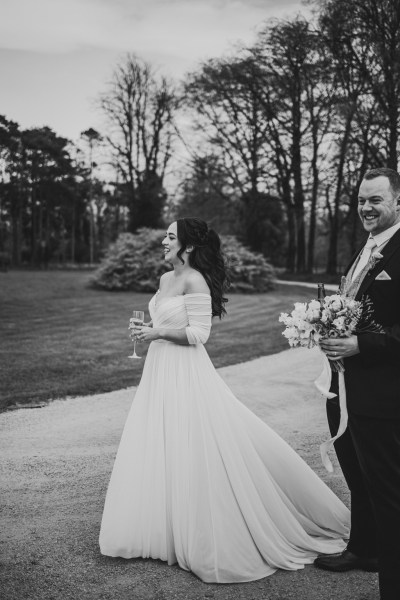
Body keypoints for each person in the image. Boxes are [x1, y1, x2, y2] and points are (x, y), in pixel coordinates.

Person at [99, 217, 349, 584]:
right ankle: (164, 529)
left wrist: (156, 331)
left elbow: (200, 333)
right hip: (159, 369)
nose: (163, 241)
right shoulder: (165, 279)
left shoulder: (194, 279)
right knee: (161, 440)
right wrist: (149, 332)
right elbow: (163, 323)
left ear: (187, 246)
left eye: (170, 237)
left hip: (185, 370)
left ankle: (205, 531)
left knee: (196, 442)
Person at [316, 168, 400, 600]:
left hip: (382, 394)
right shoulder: (366, 247)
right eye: (362, 200)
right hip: (344, 388)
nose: (366, 208)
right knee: (357, 476)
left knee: (388, 491)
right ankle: (365, 549)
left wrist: (360, 345)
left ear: (397, 202)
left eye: (376, 201)